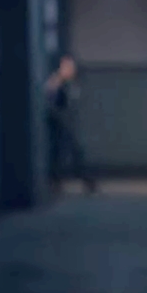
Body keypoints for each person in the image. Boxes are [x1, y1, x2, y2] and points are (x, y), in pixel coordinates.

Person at [45, 54, 97, 195]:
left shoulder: (71, 83)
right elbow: (52, 101)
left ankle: (86, 181)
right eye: (67, 67)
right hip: (59, 122)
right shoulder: (56, 82)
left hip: (66, 122)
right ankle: (58, 183)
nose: (70, 70)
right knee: (62, 154)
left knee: (72, 153)